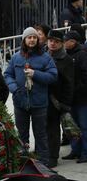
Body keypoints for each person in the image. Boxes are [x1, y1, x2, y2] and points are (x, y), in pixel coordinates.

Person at [4, 27, 58, 166]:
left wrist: (36, 74)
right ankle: (23, 162)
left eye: (34, 37)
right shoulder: (16, 57)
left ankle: (43, 164)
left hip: (39, 102)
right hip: (20, 101)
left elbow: (53, 76)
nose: (32, 40)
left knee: (40, 134)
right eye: (29, 37)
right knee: (22, 135)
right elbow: (8, 75)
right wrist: (14, 89)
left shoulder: (45, 57)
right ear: (24, 40)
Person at [45, 30, 74, 167]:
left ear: (61, 43)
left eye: (56, 41)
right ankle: (44, 153)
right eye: (51, 40)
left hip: (56, 100)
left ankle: (53, 156)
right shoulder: (43, 55)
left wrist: (64, 104)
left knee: (53, 129)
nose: (53, 43)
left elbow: (69, 83)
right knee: (42, 128)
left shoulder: (66, 59)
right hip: (42, 99)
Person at [62, 31, 87, 163]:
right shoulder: (66, 55)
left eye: (67, 40)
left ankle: (85, 152)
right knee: (72, 126)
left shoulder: (82, 55)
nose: (64, 43)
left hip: (82, 99)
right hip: (70, 99)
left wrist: (76, 89)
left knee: (83, 126)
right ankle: (75, 150)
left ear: (74, 42)